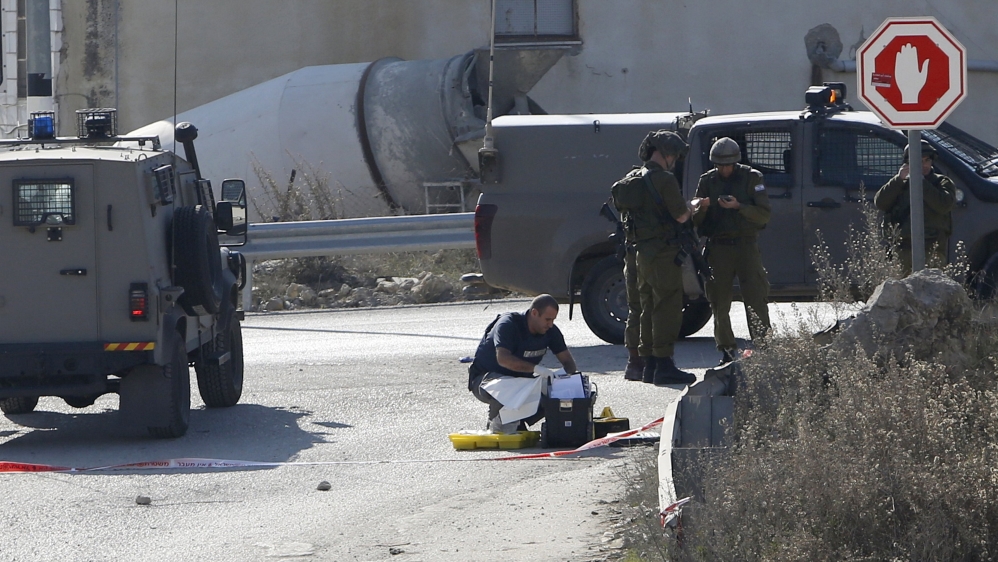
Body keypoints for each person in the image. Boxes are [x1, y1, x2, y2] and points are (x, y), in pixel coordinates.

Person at [612, 130, 696, 386]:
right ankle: (663, 364)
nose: (676, 160)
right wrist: (694, 206)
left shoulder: (632, 178)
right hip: (662, 253)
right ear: (666, 154)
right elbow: (681, 215)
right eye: (675, 155)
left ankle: (648, 364)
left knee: (646, 306)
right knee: (667, 306)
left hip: (639, 253)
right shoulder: (664, 180)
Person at [692, 137, 772, 365]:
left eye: (727, 165)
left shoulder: (751, 178)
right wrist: (702, 207)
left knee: (756, 296)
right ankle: (726, 350)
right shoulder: (707, 181)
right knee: (719, 301)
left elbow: (764, 214)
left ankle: (763, 347)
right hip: (719, 248)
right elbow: (695, 219)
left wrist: (739, 207)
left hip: (746, 245)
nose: (723, 169)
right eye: (719, 165)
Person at [467, 294, 578, 432]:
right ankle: (496, 423)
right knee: (509, 388)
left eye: (553, 320)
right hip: (486, 381)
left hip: (522, 382)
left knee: (557, 390)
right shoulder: (508, 324)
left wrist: (562, 379)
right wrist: (537, 369)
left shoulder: (550, 331)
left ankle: (518, 420)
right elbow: (503, 359)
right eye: (547, 319)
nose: (550, 324)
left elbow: (568, 363)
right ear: (534, 313)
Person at [874, 139, 956, 274]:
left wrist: (921, 182)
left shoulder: (941, 182)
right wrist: (899, 180)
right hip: (902, 248)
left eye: (927, 160)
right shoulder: (901, 183)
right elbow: (881, 202)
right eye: (918, 161)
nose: (923, 165)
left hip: (931, 247)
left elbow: (944, 204)